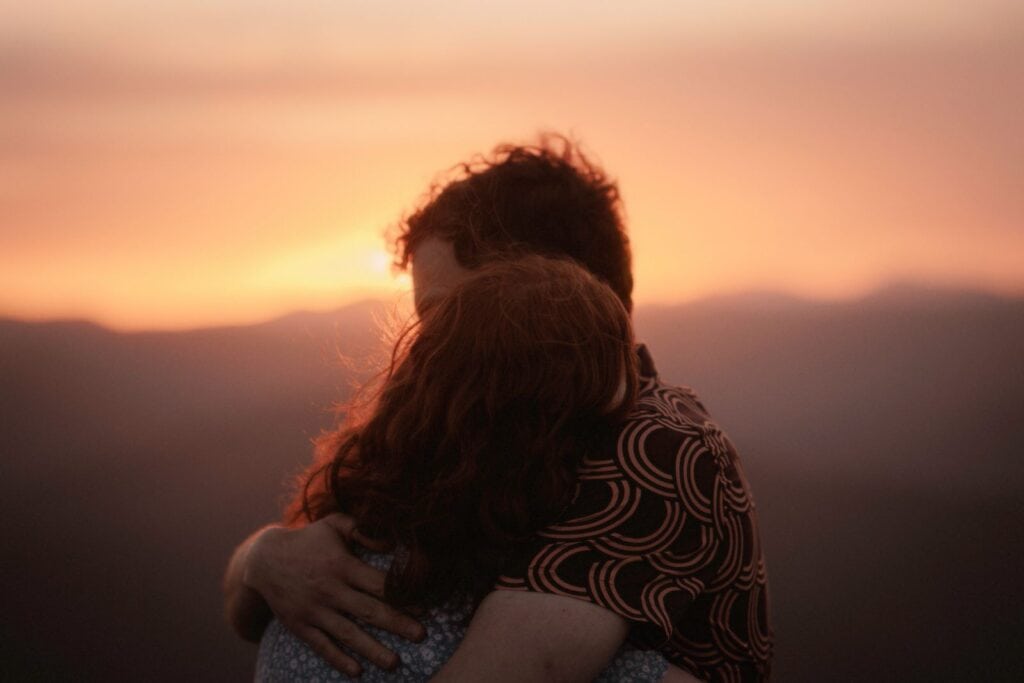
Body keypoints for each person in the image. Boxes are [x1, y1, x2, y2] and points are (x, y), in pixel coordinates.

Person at [224, 136, 773, 681]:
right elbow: (259, 605)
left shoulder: (649, 446)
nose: (425, 345)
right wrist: (264, 557)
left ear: (544, 293)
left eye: (444, 314)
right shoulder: (484, 433)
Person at [257, 255, 689, 681]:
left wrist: (259, 555)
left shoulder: (311, 590)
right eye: (602, 430)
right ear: (556, 448)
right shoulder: (526, 638)